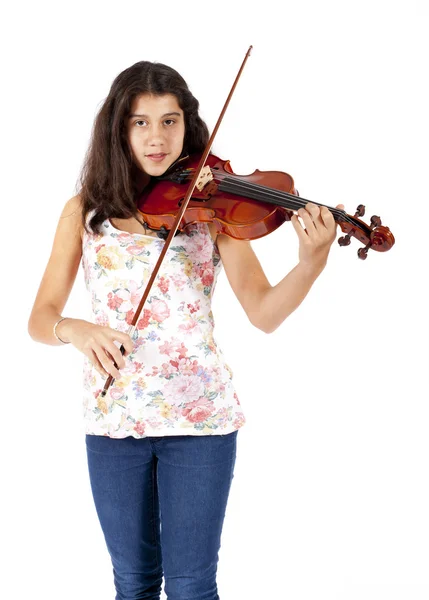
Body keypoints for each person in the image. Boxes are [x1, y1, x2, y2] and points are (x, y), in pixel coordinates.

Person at [28, 60, 343, 600]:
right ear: (118, 130)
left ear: (187, 126)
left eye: (169, 121)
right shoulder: (83, 211)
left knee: (194, 585)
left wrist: (311, 262)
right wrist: (75, 329)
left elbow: (264, 313)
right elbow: (40, 318)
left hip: (201, 419)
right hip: (113, 418)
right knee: (132, 583)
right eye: (140, 122)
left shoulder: (212, 209)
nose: (156, 138)